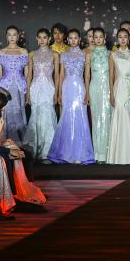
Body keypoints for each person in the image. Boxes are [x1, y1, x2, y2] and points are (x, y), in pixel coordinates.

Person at [47, 29, 95, 165]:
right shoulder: (64, 55)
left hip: (79, 87)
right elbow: (61, 75)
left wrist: (87, 92)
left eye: (75, 38)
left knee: (80, 116)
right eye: (71, 38)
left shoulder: (85, 55)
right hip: (67, 87)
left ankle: (80, 152)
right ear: (67, 39)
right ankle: (65, 152)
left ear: (79, 39)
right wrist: (59, 93)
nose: (73, 40)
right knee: (66, 116)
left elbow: (87, 75)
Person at [107, 28, 130, 164]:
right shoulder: (113, 55)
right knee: (120, 116)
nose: (122, 39)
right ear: (117, 39)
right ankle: (119, 155)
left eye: (125, 37)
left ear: (128, 38)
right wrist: (111, 94)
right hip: (119, 89)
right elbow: (111, 76)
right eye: (120, 37)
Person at [23, 28, 58, 161]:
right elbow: (29, 74)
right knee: (35, 116)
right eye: (40, 37)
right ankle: (35, 150)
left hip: (49, 87)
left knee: (48, 116)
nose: (42, 40)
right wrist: (28, 93)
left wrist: (56, 92)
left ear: (49, 39)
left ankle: (48, 151)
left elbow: (57, 75)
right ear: (37, 39)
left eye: (45, 37)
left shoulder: (55, 54)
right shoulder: (32, 54)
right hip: (35, 87)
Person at [0, 26, 29, 144]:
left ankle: (20, 142)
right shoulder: (1, 52)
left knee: (19, 109)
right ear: (6, 36)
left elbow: (27, 74)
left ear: (18, 36)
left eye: (14, 34)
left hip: (20, 86)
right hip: (5, 86)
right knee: (7, 111)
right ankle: (7, 141)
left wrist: (28, 90)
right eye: (9, 34)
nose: (12, 37)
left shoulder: (23, 52)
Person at [85, 28, 113, 163]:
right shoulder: (89, 54)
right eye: (95, 37)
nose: (98, 39)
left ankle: (108, 153)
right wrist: (87, 93)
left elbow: (113, 75)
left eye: (100, 36)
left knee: (107, 118)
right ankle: (98, 154)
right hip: (94, 87)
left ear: (105, 37)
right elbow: (87, 75)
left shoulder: (110, 54)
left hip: (107, 88)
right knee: (96, 119)